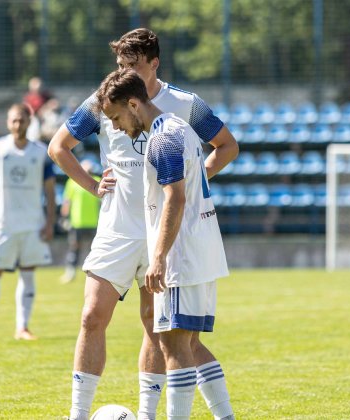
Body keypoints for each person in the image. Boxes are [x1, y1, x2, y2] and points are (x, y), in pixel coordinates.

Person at [48, 28, 238, 420]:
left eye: (132, 65)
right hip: (117, 228)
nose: (125, 71)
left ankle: (148, 414)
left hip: (163, 231)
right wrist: (91, 185)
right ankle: (78, 414)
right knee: (91, 316)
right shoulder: (106, 99)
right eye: (120, 64)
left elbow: (227, 145)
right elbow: (58, 146)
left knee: (160, 329)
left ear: (154, 63)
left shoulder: (183, 105)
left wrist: (191, 178)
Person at [95, 68, 234, 420]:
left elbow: (175, 199)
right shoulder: (178, 127)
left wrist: (157, 259)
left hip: (180, 255)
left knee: (173, 345)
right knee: (188, 343)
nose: (114, 127)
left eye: (115, 117)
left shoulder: (162, 139)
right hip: (201, 250)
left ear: (133, 104)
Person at [0, 103, 56, 341]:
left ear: (29, 121)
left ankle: (22, 327)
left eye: (22, 120)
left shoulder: (40, 151)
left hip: (31, 223)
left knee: (28, 272)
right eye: (14, 120)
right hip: (1, 223)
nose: (18, 124)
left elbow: (50, 190)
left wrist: (50, 222)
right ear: (8, 122)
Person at [60, 159, 101, 284]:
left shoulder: (97, 181)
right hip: (77, 222)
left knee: (95, 250)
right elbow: (67, 201)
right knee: (74, 247)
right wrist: (64, 218)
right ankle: (70, 272)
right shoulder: (72, 182)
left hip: (94, 222)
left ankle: (95, 274)